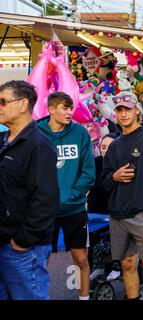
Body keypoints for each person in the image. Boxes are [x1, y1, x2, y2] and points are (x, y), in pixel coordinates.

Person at [102, 91, 143, 300]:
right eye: (119, 110)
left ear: (137, 110)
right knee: (127, 264)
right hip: (118, 215)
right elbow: (104, 181)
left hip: (142, 214)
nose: (123, 114)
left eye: (127, 109)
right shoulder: (115, 145)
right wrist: (115, 176)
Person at [0, 81, 59, 300]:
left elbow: (46, 200)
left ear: (23, 104)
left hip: (23, 249)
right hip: (5, 242)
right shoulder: (5, 141)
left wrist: (22, 241)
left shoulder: (38, 145)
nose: (0, 107)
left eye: (3, 101)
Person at [37, 92, 95, 301]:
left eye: (71, 108)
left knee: (81, 258)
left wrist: (73, 195)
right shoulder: (36, 132)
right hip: (44, 209)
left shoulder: (80, 133)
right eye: (64, 108)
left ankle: (84, 297)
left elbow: (89, 171)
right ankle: (40, 296)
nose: (70, 112)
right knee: (41, 260)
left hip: (74, 208)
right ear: (51, 110)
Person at [88, 132, 122, 282]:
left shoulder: (122, 164)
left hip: (114, 211)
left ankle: (116, 266)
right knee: (94, 243)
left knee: (113, 240)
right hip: (95, 211)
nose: (105, 150)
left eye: (110, 147)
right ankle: (96, 270)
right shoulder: (94, 163)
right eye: (103, 146)